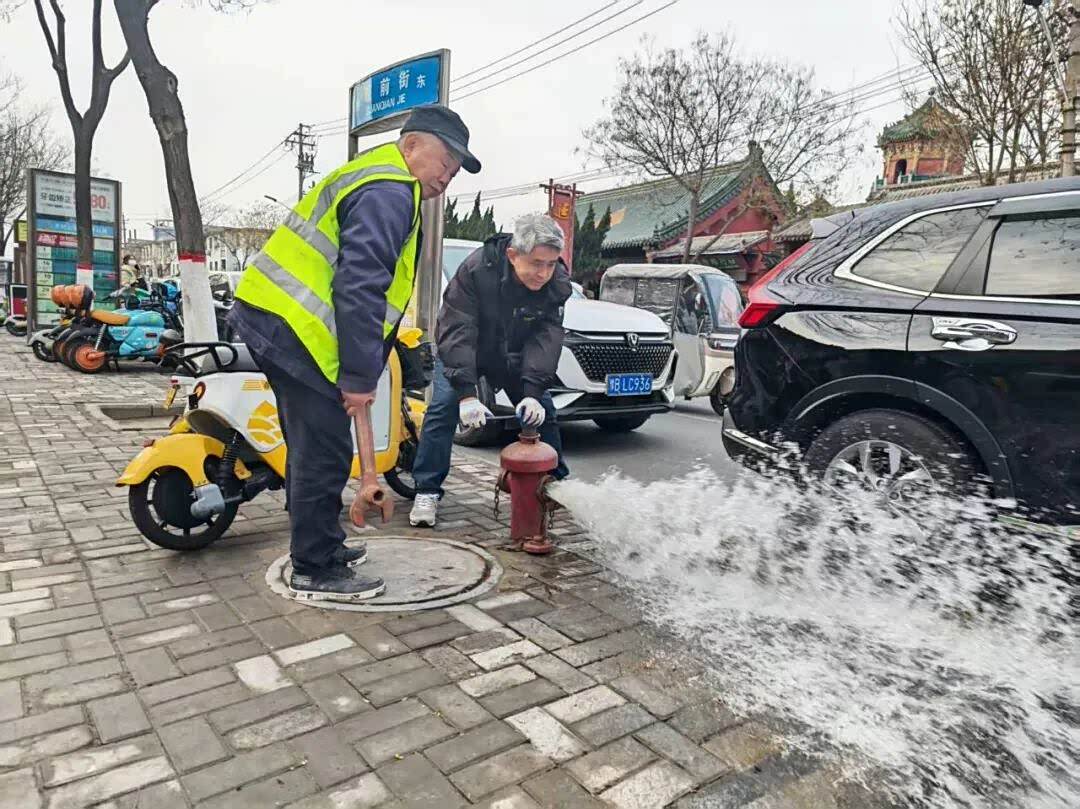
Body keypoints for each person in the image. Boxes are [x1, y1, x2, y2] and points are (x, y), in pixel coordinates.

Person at [228, 104, 480, 602]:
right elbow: (361, 287)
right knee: (325, 452)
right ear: (412, 145)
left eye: (456, 169)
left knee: (311, 447)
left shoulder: (376, 177)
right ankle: (316, 567)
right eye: (446, 159)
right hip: (296, 330)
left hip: (278, 322)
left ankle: (321, 545)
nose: (449, 175)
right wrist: (361, 377)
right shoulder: (390, 190)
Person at [409, 213, 572, 528]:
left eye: (551, 264)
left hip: (513, 356)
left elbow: (546, 338)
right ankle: (427, 490)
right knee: (443, 410)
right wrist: (467, 395)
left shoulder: (556, 284)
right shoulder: (476, 270)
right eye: (537, 263)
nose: (544, 273)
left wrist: (533, 393)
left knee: (545, 413)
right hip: (468, 352)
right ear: (513, 255)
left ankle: (557, 483)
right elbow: (457, 329)